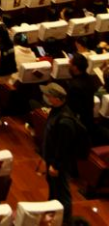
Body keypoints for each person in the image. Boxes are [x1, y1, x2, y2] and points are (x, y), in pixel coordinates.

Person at [41, 82, 81, 224]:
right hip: (52, 159)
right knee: (53, 187)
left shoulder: (65, 121)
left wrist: (56, 165)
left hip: (59, 163)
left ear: (57, 99)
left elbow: (63, 147)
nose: (46, 97)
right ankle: (52, 211)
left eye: (48, 95)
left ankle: (66, 220)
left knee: (62, 192)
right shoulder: (56, 110)